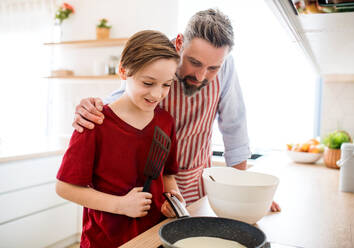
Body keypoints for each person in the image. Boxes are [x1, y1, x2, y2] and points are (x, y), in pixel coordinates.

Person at [72, 9, 280, 212]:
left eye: (212, 68)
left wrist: (243, 193)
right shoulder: (157, 56)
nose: (200, 76)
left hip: (196, 183)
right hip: (146, 188)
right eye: (194, 62)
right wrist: (95, 107)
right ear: (179, 43)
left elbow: (235, 129)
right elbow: (127, 97)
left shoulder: (226, 65)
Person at [55, 30, 184, 248]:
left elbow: (168, 175)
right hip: (104, 241)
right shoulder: (94, 122)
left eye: (166, 84)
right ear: (123, 71)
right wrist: (120, 205)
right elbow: (64, 187)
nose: (157, 94)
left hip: (153, 237)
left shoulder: (165, 122)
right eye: (148, 82)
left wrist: (173, 200)